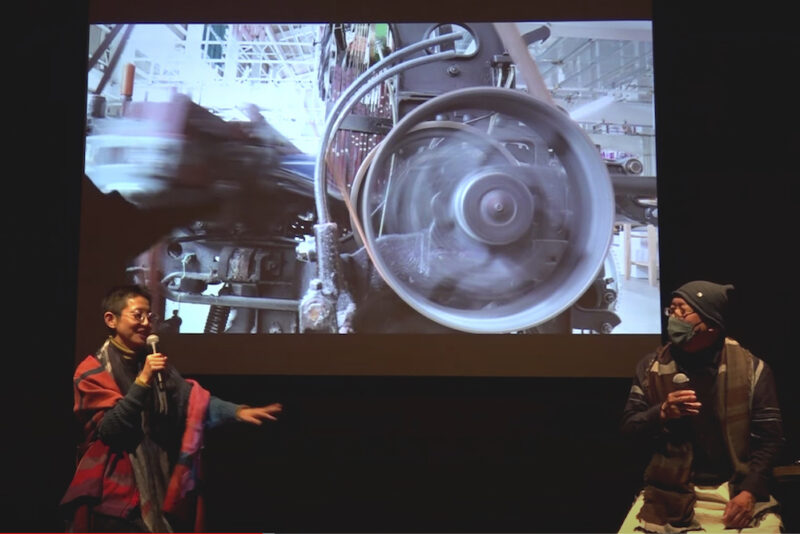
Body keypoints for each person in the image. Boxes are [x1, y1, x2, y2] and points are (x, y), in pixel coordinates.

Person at [59, 284, 283, 532]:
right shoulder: (93, 370)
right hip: (114, 498)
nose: (146, 323)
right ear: (111, 320)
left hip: (157, 484)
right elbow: (111, 430)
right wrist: (143, 380)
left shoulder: (157, 365)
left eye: (149, 316)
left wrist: (238, 412)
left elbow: (191, 400)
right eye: (137, 316)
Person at [619, 280, 785, 533]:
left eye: (682, 310)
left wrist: (750, 491)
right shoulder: (651, 367)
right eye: (671, 309)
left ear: (711, 323)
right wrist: (661, 413)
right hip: (668, 492)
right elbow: (629, 427)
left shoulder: (753, 369)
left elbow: (769, 440)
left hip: (733, 489)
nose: (673, 316)